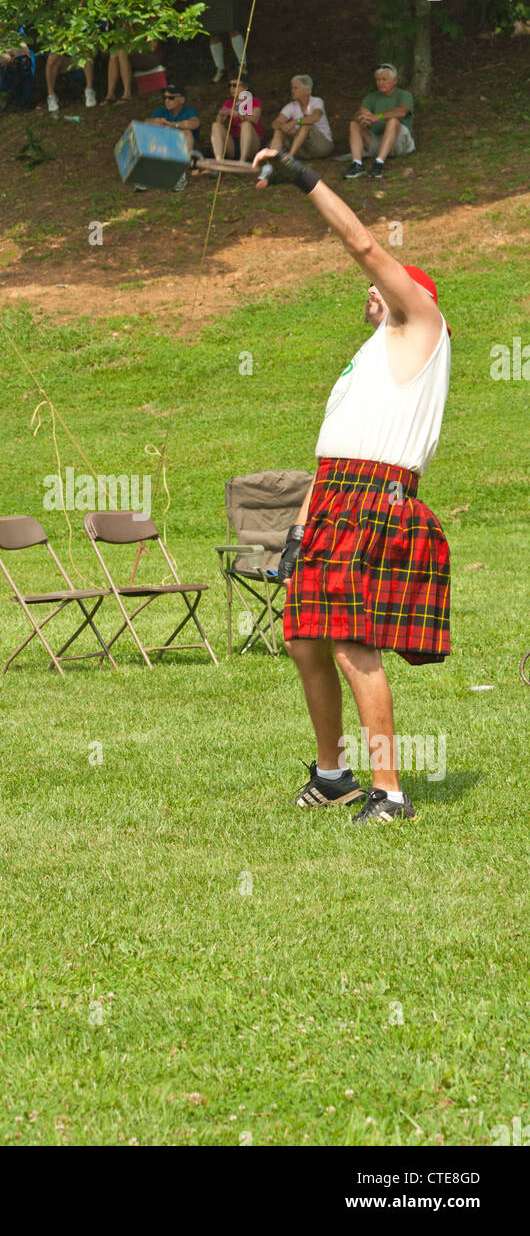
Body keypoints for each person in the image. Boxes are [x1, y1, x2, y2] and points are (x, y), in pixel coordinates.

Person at [251, 144, 451, 825]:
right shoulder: (365, 360)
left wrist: (303, 179)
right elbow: (329, 452)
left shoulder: (422, 326)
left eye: (385, 287)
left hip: (376, 498)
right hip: (334, 495)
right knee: (304, 638)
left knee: (350, 638)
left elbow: (363, 244)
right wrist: (298, 531)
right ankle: (334, 774)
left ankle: (390, 792)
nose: (371, 291)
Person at [344, 63, 415, 179]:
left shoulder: (404, 95)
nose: (380, 83)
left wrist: (379, 116)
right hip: (377, 141)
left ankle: (379, 163)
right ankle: (357, 164)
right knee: (354, 124)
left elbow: (402, 112)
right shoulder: (371, 97)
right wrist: (362, 118)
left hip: (400, 143)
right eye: (378, 80)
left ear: (395, 81)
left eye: (384, 79)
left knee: (393, 121)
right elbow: (361, 113)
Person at [136, 85, 201, 192]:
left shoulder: (190, 111)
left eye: (171, 98)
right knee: (152, 131)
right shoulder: (161, 111)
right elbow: (146, 122)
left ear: (182, 99)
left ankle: (180, 175)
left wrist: (172, 125)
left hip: (189, 151)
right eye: (165, 98)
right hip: (166, 149)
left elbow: (195, 123)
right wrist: (156, 122)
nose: (167, 101)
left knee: (186, 132)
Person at [270, 74, 334, 159]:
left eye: (296, 88)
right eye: (292, 88)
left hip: (322, 147)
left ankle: (290, 158)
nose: (292, 91)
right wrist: (283, 126)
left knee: (306, 125)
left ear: (307, 90)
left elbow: (315, 117)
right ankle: (273, 159)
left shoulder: (317, 101)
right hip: (303, 149)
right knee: (279, 129)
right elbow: (275, 123)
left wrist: (294, 122)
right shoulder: (291, 106)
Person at [210, 75, 263, 162]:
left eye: (235, 85)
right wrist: (221, 114)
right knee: (215, 125)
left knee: (246, 125)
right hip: (233, 144)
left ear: (245, 88)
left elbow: (255, 119)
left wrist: (237, 114)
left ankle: (242, 160)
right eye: (230, 86)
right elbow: (219, 122)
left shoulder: (255, 101)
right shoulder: (228, 103)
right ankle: (219, 160)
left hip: (252, 143)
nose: (231, 88)